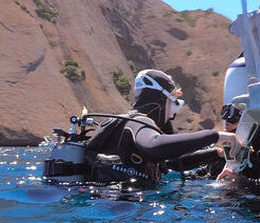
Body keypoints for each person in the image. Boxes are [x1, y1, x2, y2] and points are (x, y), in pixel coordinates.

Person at [82, 69, 240, 185]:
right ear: (162, 99)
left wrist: (216, 153)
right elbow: (155, 147)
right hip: (123, 212)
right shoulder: (139, 123)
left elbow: (172, 162)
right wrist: (216, 136)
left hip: (106, 204)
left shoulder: (121, 123)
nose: (173, 112)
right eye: (173, 102)